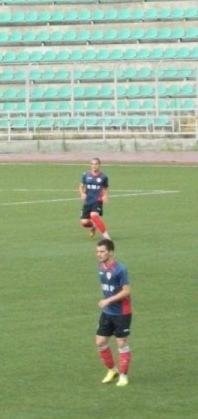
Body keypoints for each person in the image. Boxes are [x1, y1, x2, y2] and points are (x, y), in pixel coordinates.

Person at [94, 239, 131, 387]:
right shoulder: (101, 267)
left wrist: (108, 300)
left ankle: (124, 375)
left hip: (122, 312)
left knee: (121, 342)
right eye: (97, 252)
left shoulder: (120, 269)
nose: (99, 254)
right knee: (100, 342)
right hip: (107, 311)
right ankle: (112, 370)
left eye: (102, 251)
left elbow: (126, 291)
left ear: (110, 252)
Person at [78, 157, 111, 240]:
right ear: (90, 165)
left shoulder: (103, 177)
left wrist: (105, 196)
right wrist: (82, 193)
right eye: (92, 164)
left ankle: (106, 236)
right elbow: (81, 187)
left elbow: (105, 187)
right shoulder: (86, 175)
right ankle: (94, 226)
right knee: (84, 222)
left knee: (94, 216)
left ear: (99, 165)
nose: (94, 166)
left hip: (97, 200)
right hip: (87, 201)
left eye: (96, 164)